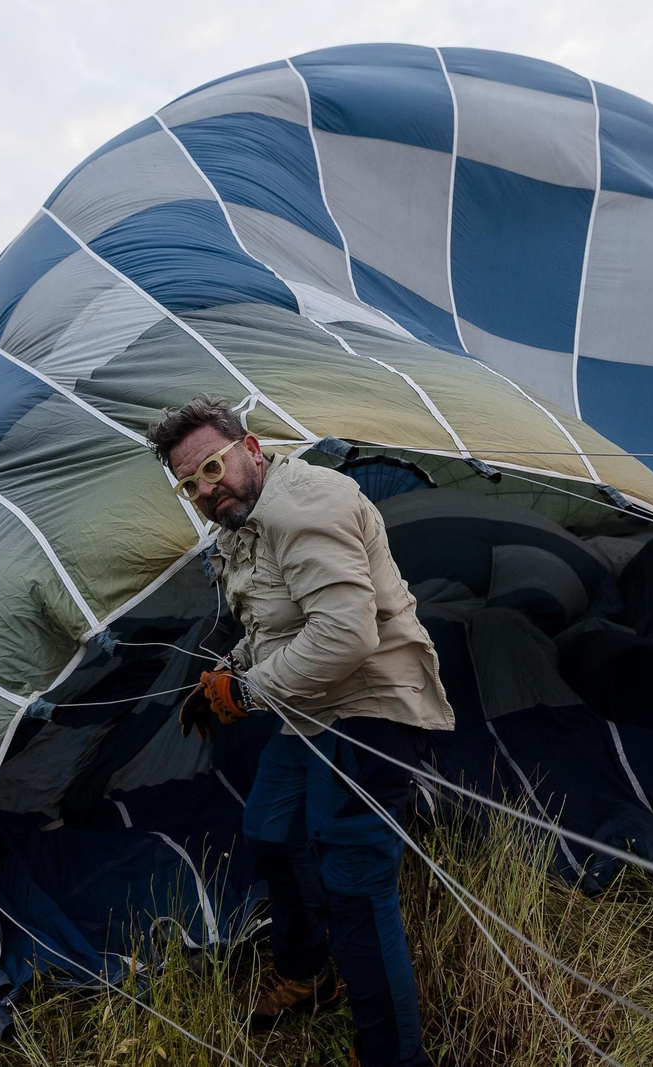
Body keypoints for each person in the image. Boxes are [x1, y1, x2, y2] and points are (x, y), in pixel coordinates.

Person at [146, 395, 455, 1067]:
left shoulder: (305, 504)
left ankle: (391, 1055)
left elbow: (345, 634)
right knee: (272, 829)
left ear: (251, 448)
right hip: (312, 709)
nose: (205, 487)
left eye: (214, 465)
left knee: (356, 888)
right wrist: (227, 672)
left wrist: (248, 692)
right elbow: (279, 626)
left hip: (371, 708)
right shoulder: (243, 521)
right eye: (189, 482)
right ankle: (309, 973)